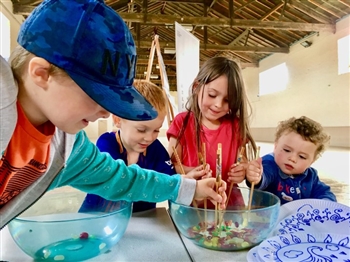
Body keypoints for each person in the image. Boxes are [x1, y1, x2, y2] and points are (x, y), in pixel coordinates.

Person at [0, 0, 226, 230]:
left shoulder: (69, 148)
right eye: (97, 94)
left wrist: (190, 189)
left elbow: (121, 178)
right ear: (42, 73)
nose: (107, 111)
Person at [167, 57, 257, 208]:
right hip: (191, 206)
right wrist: (191, 172)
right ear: (197, 86)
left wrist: (242, 171)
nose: (218, 105)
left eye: (228, 100)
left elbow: (242, 161)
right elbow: (169, 164)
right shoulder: (182, 122)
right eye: (212, 95)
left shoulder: (235, 125)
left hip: (227, 205)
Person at [79, 80, 177, 213]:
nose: (149, 138)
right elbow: (117, 180)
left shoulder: (155, 148)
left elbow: (170, 180)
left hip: (143, 219)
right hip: (99, 216)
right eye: (141, 130)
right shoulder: (107, 143)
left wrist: (185, 179)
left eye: (156, 130)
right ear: (118, 120)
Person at [246, 116, 337, 205]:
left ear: (312, 161)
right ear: (276, 146)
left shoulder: (310, 176)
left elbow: (325, 193)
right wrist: (257, 176)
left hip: (297, 219)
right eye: (287, 150)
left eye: (302, 156)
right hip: (265, 218)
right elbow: (264, 176)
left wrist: (325, 204)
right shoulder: (269, 164)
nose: (292, 159)